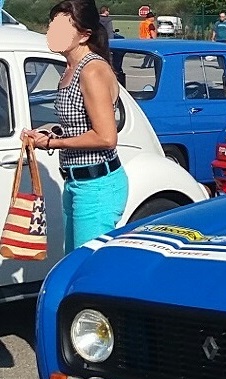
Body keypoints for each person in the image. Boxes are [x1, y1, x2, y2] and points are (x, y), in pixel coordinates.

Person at [23, 0, 127, 254]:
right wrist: (49, 133)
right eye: (52, 24)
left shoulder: (91, 71)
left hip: (96, 185)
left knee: (86, 267)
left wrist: (52, 143)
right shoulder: (69, 69)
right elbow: (78, 124)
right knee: (72, 262)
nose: (53, 32)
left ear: (84, 35)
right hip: (76, 182)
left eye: (63, 27)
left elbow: (106, 137)